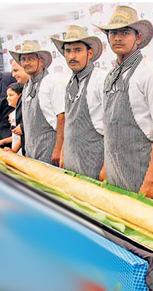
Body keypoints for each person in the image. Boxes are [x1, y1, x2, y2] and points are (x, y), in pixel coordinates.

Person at [94, 6, 153, 203]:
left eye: (125, 32)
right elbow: (110, 128)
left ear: (138, 38)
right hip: (116, 173)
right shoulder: (110, 77)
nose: (118, 38)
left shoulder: (150, 75)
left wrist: (151, 180)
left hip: (144, 175)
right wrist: (106, 167)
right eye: (113, 33)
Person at [51, 25, 106, 179]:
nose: (71, 56)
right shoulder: (70, 83)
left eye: (77, 50)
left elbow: (114, 128)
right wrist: (63, 152)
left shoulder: (101, 80)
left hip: (94, 160)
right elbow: (69, 121)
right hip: (72, 160)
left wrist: (107, 167)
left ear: (89, 53)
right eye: (68, 51)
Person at [9, 40, 65, 166]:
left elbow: (62, 117)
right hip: (32, 150)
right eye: (23, 59)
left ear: (41, 61)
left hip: (49, 149)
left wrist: (58, 149)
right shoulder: (27, 86)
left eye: (31, 59)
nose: (26, 63)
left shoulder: (52, 82)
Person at [10, 60, 30, 155]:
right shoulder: (27, 88)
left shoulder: (45, 86)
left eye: (16, 70)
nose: (13, 75)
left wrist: (22, 127)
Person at [0, 82, 23, 155]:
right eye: (7, 96)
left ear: (20, 96)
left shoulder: (22, 113)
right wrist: (3, 141)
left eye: (11, 95)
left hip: (21, 151)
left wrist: (14, 151)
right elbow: (15, 136)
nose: (8, 98)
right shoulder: (12, 114)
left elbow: (23, 137)